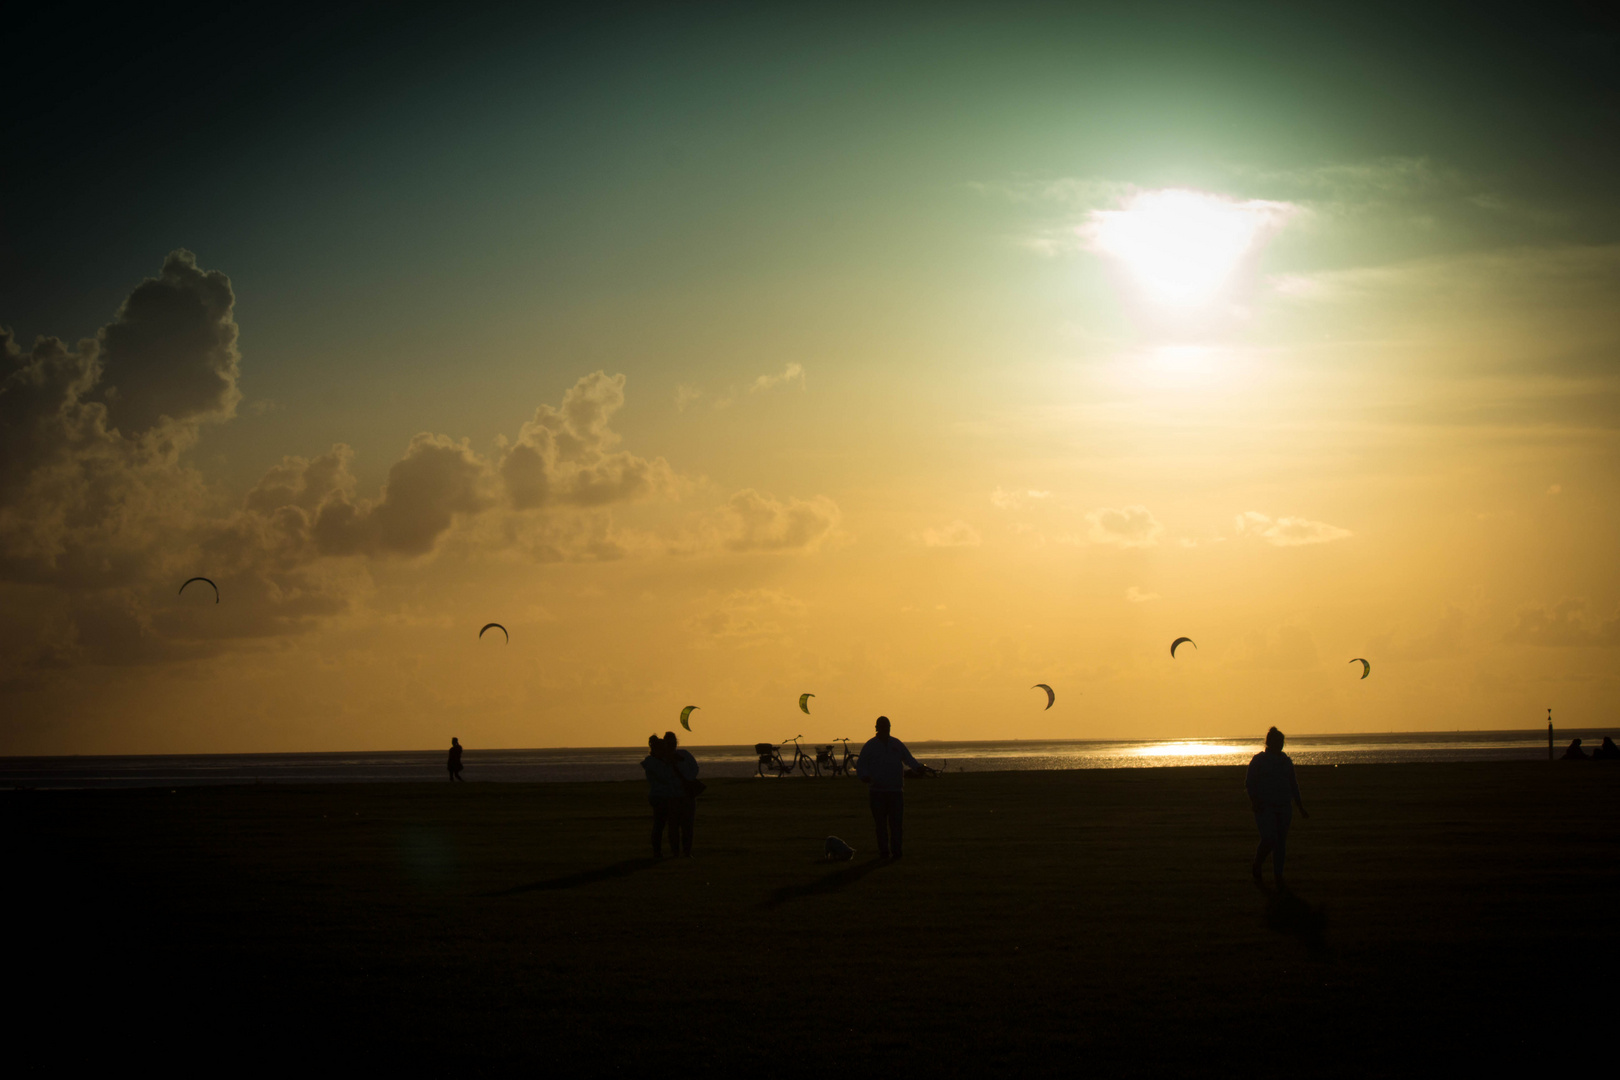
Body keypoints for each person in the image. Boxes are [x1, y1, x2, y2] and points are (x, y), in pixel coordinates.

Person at [1245, 727, 1309, 887]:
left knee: (1280, 842)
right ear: (1270, 743)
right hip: (1265, 807)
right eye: (1278, 742)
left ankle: (1278, 876)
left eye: (1282, 742)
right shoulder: (1259, 761)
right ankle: (1258, 864)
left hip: (1284, 806)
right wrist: (1255, 800)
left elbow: (1293, 784)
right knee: (1269, 838)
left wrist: (1300, 806)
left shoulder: (1285, 761)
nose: (1280, 745)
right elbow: (1250, 783)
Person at [855, 715, 921, 860]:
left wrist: (919, 768)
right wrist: (864, 776)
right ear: (877, 728)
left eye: (888, 727)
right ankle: (884, 852)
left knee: (896, 825)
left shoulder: (896, 744)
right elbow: (861, 765)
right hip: (877, 792)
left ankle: (897, 852)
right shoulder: (870, 746)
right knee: (881, 826)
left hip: (896, 791)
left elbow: (909, 759)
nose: (886, 729)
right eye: (883, 727)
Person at [640, 735, 683, 857]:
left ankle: (672, 850)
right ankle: (659, 851)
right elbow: (665, 777)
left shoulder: (656, 762)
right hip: (661, 797)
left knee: (667, 825)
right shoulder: (654, 763)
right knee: (661, 825)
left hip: (665, 795)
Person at [663, 731, 699, 857]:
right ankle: (676, 852)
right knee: (674, 826)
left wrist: (686, 780)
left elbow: (695, 768)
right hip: (673, 796)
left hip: (685, 795)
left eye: (673, 742)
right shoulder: (664, 759)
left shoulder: (684, 754)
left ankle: (686, 851)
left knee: (686, 826)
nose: (672, 745)